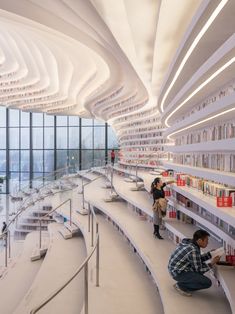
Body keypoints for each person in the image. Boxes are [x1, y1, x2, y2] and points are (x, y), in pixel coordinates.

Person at [168, 229, 221, 297]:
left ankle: (183, 284)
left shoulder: (190, 243)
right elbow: (199, 270)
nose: (208, 243)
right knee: (207, 283)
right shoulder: (193, 250)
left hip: (175, 269)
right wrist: (212, 263)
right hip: (178, 273)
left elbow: (196, 259)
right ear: (199, 240)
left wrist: (210, 254)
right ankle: (181, 286)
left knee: (198, 274)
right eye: (206, 240)